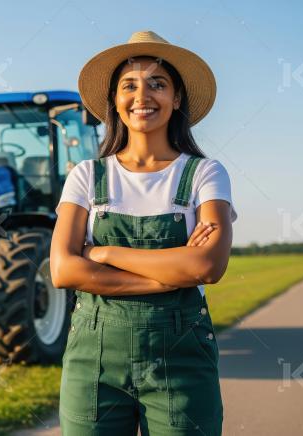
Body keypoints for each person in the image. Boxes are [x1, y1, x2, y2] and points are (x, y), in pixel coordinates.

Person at [50, 30, 238, 435]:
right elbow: (64, 270)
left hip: (182, 359)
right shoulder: (86, 176)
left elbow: (207, 264)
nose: (142, 96)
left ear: (177, 97)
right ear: (115, 101)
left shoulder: (205, 173)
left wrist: (103, 255)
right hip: (93, 362)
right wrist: (170, 275)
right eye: (129, 85)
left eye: (157, 84)